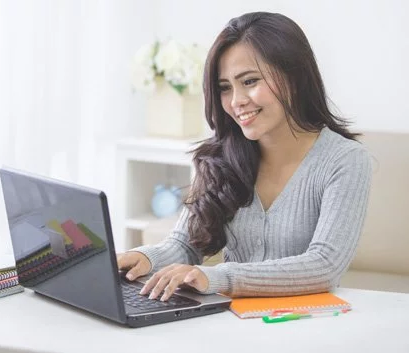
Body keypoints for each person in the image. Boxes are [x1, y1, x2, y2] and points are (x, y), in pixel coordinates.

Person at [117, 12, 372, 301]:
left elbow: (324, 265)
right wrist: (143, 257)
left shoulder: (345, 161)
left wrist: (217, 277)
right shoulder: (222, 156)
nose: (236, 101)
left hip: (305, 327)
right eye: (225, 87)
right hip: (230, 323)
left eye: (249, 81)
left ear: (294, 77)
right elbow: (186, 244)